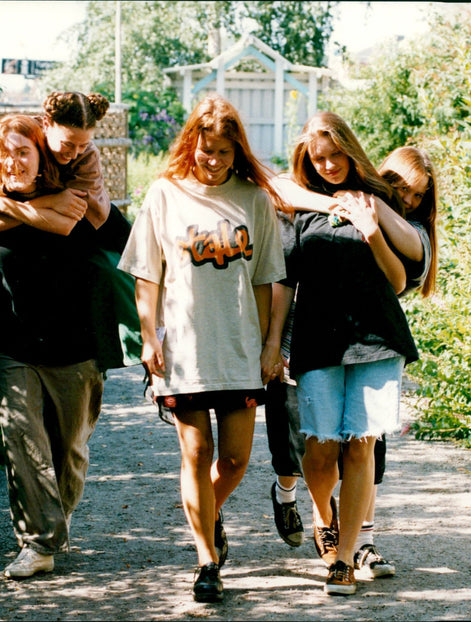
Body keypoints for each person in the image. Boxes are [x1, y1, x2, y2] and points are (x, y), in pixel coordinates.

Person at [118, 93, 287, 603]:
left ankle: (209, 513)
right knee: (196, 451)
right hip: (184, 350)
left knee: (234, 460)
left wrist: (269, 344)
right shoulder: (164, 194)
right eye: (205, 150)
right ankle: (207, 560)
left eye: (223, 153)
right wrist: (149, 338)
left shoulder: (254, 200)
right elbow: (147, 276)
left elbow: (267, 282)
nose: (212, 161)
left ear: (237, 152)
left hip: (237, 349)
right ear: (191, 143)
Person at [0, 97, 118, 581]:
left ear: (40, 154)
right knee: (22, 442)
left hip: (77, 348)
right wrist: (19, 207)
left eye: (24, 153)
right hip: (14, 346)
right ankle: (38, 542)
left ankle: (53, 522)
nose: (14, 162)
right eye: (5, 155)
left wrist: (20, 209)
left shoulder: (75, 190)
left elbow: (109, 235)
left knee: (69, 451)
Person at [260, 111, 419, 596]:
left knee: (361, 443)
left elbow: (401, 275)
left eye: (335, 154)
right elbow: (285, 283)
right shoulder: (296, 207)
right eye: (318, 157)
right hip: (317, 338)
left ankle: (344, 558)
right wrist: (273, 344)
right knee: (320, 446)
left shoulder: (381, 198)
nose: (328, 164)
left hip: (375, 339)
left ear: (351, 149)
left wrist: (371, 224)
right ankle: (323, 514)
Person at [0, 91, 113, 472]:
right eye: (68, 144)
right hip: (14, 231)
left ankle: (129, 339)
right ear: (45, 128)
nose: (74, 152)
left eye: (84, 143)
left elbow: (70, 221)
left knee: (113, 271)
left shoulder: (86, 157)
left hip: (90, 223)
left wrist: (8, 205)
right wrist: (34, 204)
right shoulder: (23, 143)